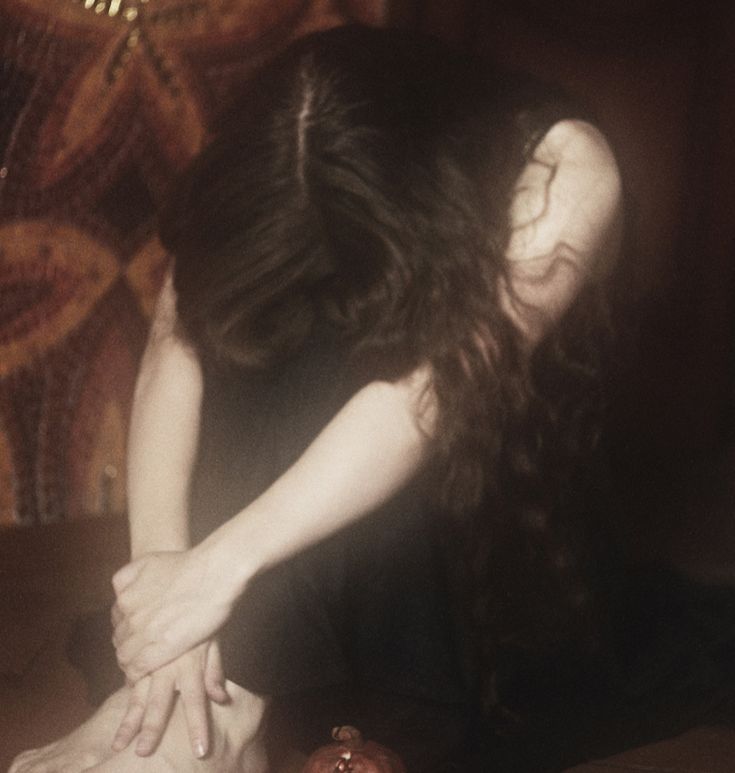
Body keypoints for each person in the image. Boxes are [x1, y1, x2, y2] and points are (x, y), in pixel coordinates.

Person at [10, 24, 622, 773]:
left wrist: (214, 572)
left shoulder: (563, 172)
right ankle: (191, 706)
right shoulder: (279, 156)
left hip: (478, 530)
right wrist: (165, 601)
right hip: (313, 547)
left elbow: (418, 406)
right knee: (253, 325)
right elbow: (178, 343)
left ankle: (221, 721)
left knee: (338, 365)